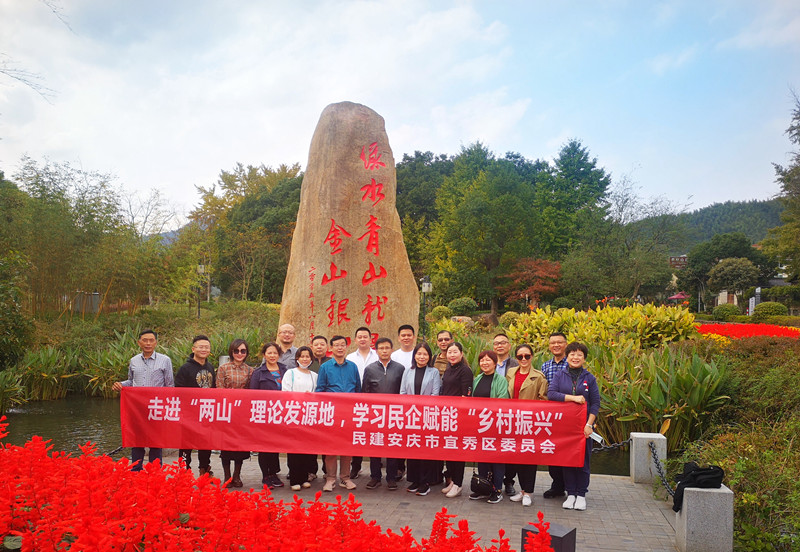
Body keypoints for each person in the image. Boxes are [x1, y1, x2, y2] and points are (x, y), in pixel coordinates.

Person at [547, 342, 600, 512]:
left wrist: (589, 424)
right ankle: (571, 494)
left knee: (583, 462)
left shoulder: (589, 378)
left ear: (584, 358)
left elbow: (595, 403)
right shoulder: (560, 375)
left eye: (579, 355)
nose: (575, 357)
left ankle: (581, 495)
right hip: (565, 427)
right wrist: (573, 398)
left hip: (584, 427)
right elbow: (552, 394)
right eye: (572, 354)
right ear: (567, 356)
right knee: (568, 461)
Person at [112, 329, 174, 471]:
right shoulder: (134, 360)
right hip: (137, 408)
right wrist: (121, 385)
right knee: (137, 441)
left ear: (156, 343)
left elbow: (170, 385)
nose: (148, 343)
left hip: (156, 408)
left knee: (155, 442)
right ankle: (136, 470)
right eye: (144, 340)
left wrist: (167, 408)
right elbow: (131, 381)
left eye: (151, 340)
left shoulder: (165, 360)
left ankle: (155, 472)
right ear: (139, 342)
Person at [316, 335, 361, 491]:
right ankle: (330, 479)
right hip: (331, 412)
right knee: (331, 448)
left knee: (347, 448)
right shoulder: (325, 367)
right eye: (337, 345)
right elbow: (320, 390)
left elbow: (358, 390)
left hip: (348, 412)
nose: (340, 348)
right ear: (331, 348)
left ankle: (345, 478)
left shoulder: (353, 367)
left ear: (346, 347)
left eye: (342, 345)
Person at [506, 344, 549, 507]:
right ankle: (522, 490)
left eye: (527, 356)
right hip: (512, 421)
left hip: (529, 422)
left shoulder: (538, 376)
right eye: (520, 357)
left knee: (529, 458)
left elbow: (543, 399)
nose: (523, 359)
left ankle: (528, 492)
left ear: (532, 357)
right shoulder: (511, 373)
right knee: (515, 457)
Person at [362, 337, 405, 490]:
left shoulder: (400, 368)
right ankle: (375, 477)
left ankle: (392, 477)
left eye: (387, 348)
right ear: (377, 350)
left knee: (392, 446)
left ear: (391, 350)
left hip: (395, 414)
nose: (384, 351)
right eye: (381, 348)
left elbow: (403, 392)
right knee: (375, 445)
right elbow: (365, 393)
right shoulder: (370, 369)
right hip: (375, 415)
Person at [400, 342, 441, 496]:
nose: (422, 357)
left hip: (427, 417)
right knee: (412, 448)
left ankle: (425, 482)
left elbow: (435, 395)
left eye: (425, 354)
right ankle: (414, 480)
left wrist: (423, 410)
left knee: (425, 450)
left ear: (429, 356)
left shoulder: (434, 372)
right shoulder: (407, 371)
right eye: (419, 354)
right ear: (414, 355)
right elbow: (402, 393)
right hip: (411, 416)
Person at [470, 350, 510, 504]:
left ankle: (497, 490)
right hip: (480, 427)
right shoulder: (477, 379)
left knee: (496, 459)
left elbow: (502, 400)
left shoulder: (500, 380)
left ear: (495, 363)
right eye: (482, 360)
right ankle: (483, 488)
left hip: (495, 425)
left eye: (488, 360)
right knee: (482, 458)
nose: (484, 363)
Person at [175, 335, 216, 477]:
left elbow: (214, 389)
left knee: (206, 443)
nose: (204, 349)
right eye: (201, 347)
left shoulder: (210, 367)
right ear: (193, 349)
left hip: (206, 412)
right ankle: (183, 471)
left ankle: (204, 469)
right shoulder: (185, 368)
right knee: (186, 444)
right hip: (189, 414)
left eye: (207, 347)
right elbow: (178, 390)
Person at [216, 338, 254, 487]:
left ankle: (237, 475)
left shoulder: (250, 370)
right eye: (236, 351)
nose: (239, 353)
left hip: (242, 413)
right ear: (231, 351)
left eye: (243, 351)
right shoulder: (224, 368)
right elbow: (219, 388)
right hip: (226, 411)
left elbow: (252, 391)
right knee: (225, 446)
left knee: (240, 446)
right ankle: (227, 477)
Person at [250, 342, 288, 489]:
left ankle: (274, 473)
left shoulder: (285, 370)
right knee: (264, 446)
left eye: (275, 353)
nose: (272, 356)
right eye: (269, 353)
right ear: (264, 355)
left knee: (275, 445)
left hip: (280, 414)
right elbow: (252, 395)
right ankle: (265, 475)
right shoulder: (259, 373)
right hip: (264, 414)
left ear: (279, 355)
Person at [282, 346, 318, 491]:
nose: (304, 359)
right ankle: (294, 479)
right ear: (297, 358)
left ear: (311, 359)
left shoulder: (314, 375)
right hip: (294, 415)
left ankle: (304, 478)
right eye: (302, 356)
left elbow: (318, 395)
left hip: (309, 416)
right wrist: (301, 398)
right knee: (294, 449)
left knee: (306, 449)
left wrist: (311, 397)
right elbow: (285, 393)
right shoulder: (290, 373)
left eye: (307, 356)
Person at [440, 341, 473, 498]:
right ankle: (452, 480)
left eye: (455, 352)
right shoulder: (448, 370)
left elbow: (466, 395)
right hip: (447, 416)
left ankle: (458, 483)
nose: (452, 355)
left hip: (459, 417)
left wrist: (456, 410)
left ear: (461, 353)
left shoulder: (465, 371)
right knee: (449, 450)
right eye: (449, 352)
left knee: (458, 452)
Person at [540, 332, 570, 499]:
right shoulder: (545, 366)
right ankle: (557, 485)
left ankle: (570, 486)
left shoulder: (572, 364)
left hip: (568, 414)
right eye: (553, 343)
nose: (556, 345)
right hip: (550, 416)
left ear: (566, 344)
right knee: (552, 450)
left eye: (559, 342)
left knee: (567, 451)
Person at [345, 326, 377, 478]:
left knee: (373, 435)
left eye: (366, 336)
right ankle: (355, 466)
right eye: (360, 337)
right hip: (355, 401)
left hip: (375, 402)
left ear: (371, 339)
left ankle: (375, 471)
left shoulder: (377, 356)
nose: (363, 339)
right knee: (356, 434)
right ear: (355, 340)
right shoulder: (350, 358)